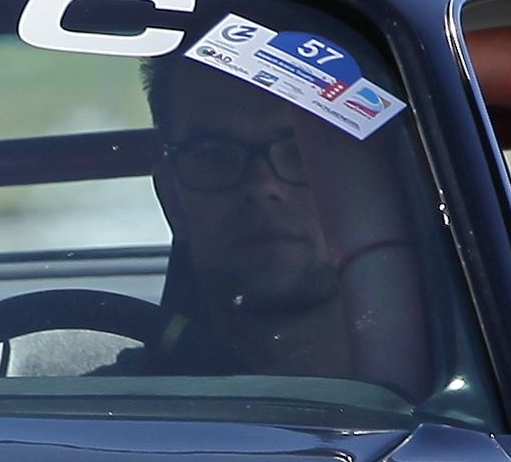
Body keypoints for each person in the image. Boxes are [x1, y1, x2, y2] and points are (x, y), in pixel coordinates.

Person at [137, 53, 441, 389]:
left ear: (376, 184)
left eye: (300, 152)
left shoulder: (489, 396)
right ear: (171, 198)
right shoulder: (112, 414)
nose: (262, 187)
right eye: (215, 155)